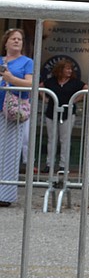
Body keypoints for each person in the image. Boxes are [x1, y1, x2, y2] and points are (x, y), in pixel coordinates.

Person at [0, 28, 34, 207]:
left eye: (19, 39)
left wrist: (11, 78)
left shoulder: (27, 62)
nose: (16, 41)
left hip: (14, 112)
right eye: (13, 38)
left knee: (10, 153)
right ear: (6, 42)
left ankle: (5, 195)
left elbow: (30, 83)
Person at [41, 58, 87, 179]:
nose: (69, 71)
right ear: (60, 70)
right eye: (67, 69)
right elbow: (40, 87)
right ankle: (49, 164)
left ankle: (63, 165)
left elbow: (86, 88)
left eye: (70, 69)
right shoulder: (51, 81)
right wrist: (45, 99)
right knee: (52, 139)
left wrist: (75, 100)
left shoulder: (75, 82)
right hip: (52, 112)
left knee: (65, 139)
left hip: (67, 113)